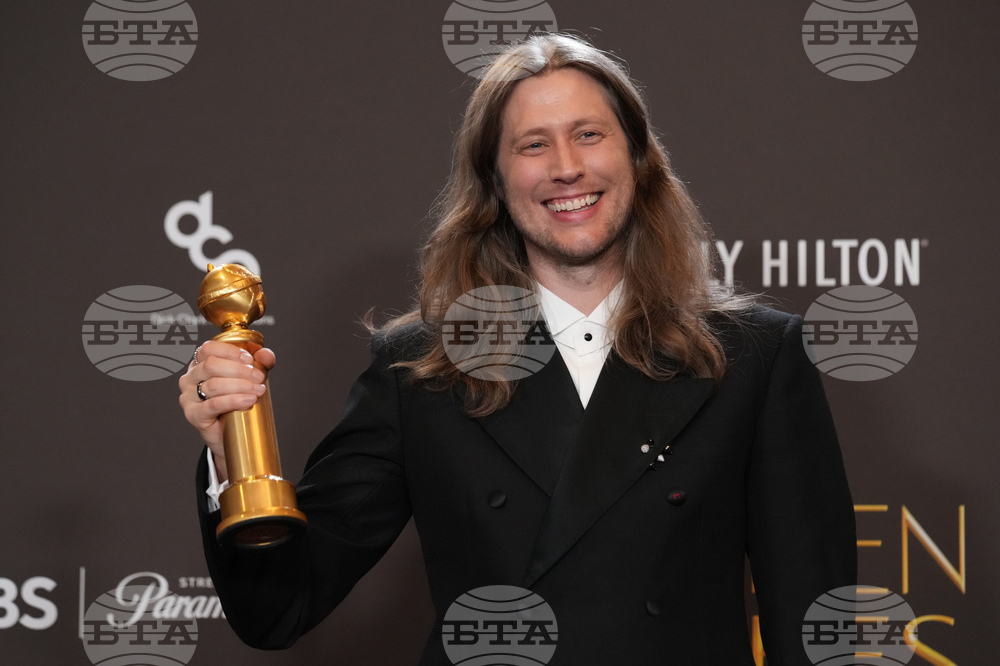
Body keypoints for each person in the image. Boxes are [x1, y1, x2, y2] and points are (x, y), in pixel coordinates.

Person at [178, 34, 856, 665]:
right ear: (494, 182)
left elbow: (813, 619)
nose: (566, 168)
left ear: (640, 159)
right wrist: (228, 453)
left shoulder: (754, 357)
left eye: (589, 135)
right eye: (532, 145)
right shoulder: (419, 367)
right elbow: (278, 607)